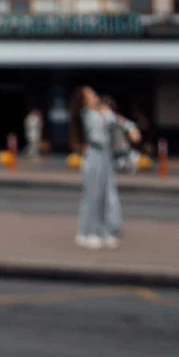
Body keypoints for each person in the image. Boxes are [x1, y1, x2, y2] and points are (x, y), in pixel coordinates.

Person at [75, 86, 122, 249]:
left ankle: (107, 230)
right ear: (84, 100)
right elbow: (100, 127)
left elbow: (117, 122)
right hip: (94, 154)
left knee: (108, 193)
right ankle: (89, 231)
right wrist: (105, 113)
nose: (95, 97)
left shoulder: (102, 112)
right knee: (93, 194)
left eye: (94, 93)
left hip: (106, 155)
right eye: (90, 95)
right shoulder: (88, 114)